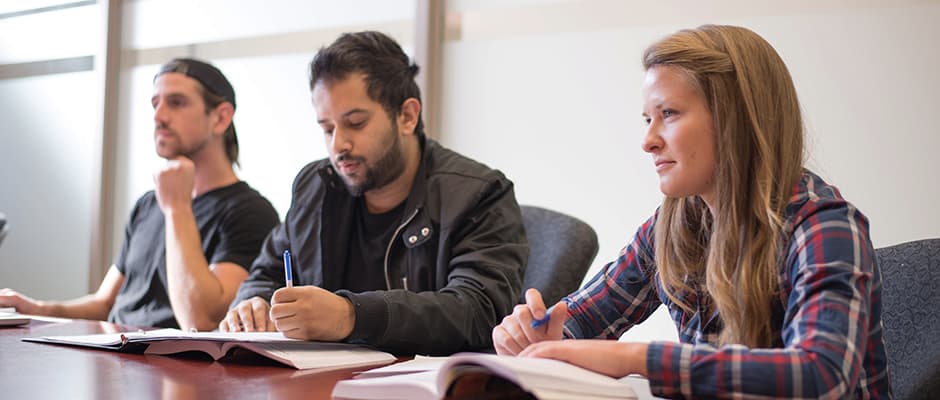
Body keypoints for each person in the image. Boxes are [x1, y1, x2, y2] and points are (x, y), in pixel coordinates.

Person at [492, 25, 892, 398]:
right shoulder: (671, 225)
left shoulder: (823, 224)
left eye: (668, 114)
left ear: (735, 119)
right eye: (648, 119)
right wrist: (538, 335)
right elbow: (580, 318)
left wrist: (637, 359)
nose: (648, 141)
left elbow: (822, 373)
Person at [220, 31, 527, 356]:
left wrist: (352, 315)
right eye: (327, 128)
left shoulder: (477, 194)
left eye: (355, 123)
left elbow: (478, 313)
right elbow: (267, 271)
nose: (338, 145)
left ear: (407, 116)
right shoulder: (316, 186)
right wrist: (251, 303)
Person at [0, 58, 279, 331]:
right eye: (155, 104)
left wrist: (177, 208)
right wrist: (36, 309)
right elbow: (105, 303)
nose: (159, 116)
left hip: (176, 370)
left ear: (220, 117)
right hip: (114, 360)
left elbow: (201, 320)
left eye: (177, 103)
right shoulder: (148, 203)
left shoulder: (251, 212)